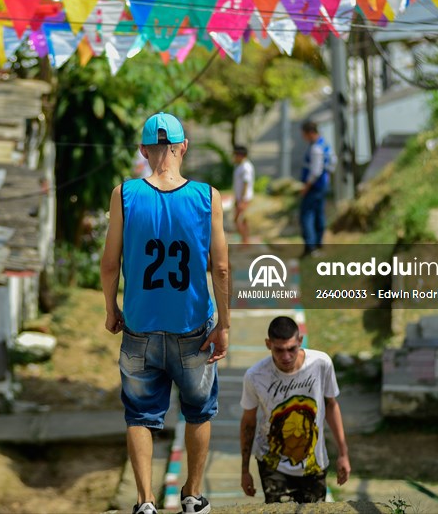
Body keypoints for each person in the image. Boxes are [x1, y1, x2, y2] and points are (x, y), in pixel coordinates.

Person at [101, 112, 231, 514]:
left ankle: (145, 502)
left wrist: (111, 308)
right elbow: (222, 267)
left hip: (140, 328)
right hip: (193, 327)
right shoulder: (208, 197)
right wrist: (224, 324)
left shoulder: (124, 194)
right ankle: (192, 495)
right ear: (184, 147)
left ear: (143, 150)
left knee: (139, 416)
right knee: (198, 411)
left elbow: (109, 263)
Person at [239, 316, 351, 504]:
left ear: (300, 341)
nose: (286, 357)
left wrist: (343, 453)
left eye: (291, 349)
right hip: (272, 464)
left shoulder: (321, 364)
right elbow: (248, 422)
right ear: (268, 344)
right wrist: (244, 471)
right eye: (279, 350)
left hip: (314, 464)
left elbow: (331, 405)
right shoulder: (255, 376)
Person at [299, 120, 333, 256]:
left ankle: (311, 246)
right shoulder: (325, 145)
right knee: (319, 214)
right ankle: (319, 242)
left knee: (307, 215)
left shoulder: (315, 149)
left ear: (310, 133)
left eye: (304, 134)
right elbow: (332, 163)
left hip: (314, 187)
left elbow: (315, 172)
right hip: (322, 185)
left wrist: (305, 188)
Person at [232, 145, 255, 244]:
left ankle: (245, 241)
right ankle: (245, 240)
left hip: (244, 198)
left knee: (238, 220)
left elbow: (246, 183)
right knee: (243, 219)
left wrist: (242, 200)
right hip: (240, 197)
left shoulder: (246, 167)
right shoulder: (241, 166)